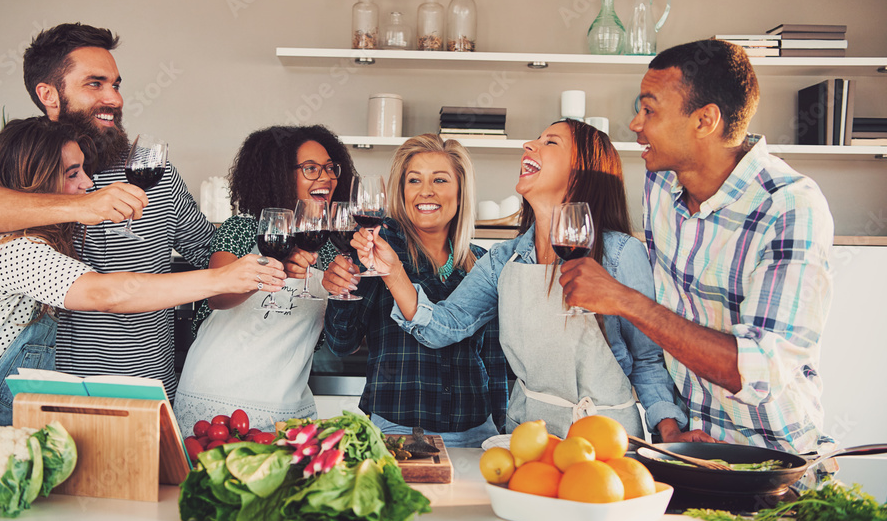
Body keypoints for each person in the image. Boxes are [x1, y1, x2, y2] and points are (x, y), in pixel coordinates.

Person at [559, 39, 836, 460]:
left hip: (770, 458)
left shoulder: (789, 206)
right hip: (685, 449)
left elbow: (757, 371)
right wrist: (668, 426)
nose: (635, 123)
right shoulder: (662, 182)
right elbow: (659, 342)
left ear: (705, 120)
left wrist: (622, 300)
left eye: (649, 110)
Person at [0, 117, 285, 426]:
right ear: (36, 180)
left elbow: (202, 248)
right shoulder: (8, 247)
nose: (88, 184)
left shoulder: (25, 239)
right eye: (73, 174)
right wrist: (221, 278)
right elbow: (109, 293)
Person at [0, 23, 216, 398]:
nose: (114, 99)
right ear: (49, 94)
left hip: (144, 392)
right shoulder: (17, 169)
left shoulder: (154, 174)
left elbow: (209, 253)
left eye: (115, 85)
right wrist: (81, 206)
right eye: (95, 84)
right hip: (46, 396)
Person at [358, 120, 686, 439]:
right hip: (532, 438)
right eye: (536, 138)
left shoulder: (620, 254)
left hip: (605, 438)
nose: (529, 145)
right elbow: (445, 325)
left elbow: (647, 360)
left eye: (550, 142)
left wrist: (670, 430)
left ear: (580, 170)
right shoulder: (504, 259)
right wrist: (393, 271)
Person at [320, 135, 508, 448]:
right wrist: (340, 292)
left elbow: (494, 359)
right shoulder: (377, 253)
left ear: (461, 192)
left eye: (440, 179)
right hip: (397, 432)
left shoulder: (482, 262)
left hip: (477, 432)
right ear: (402, 190)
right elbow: (342, 344)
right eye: (414, 180)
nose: (426, 191)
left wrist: (502, 432)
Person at [172, 125, 354, 436]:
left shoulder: (332, 243)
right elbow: (217, 294)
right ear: (280, 175)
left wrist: (344, 293)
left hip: (288, 409)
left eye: (329, 167)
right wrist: (276, 266)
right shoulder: (243, 228)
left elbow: (342, 335)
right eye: (310, 168)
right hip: (216, 403)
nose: (325, 177)